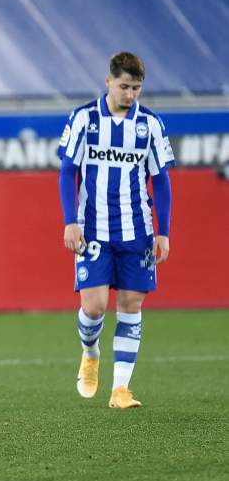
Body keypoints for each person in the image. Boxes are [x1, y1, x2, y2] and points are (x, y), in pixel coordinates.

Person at [57, 51, 173, 408]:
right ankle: (90, 353)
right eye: (124, 86)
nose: (130, 94)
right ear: (108, 82)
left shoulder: (150, 125)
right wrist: (70, 221)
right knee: (93, 308)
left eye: (136, 88)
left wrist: (163, 231)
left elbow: (161, 180)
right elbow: (67, 172)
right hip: (93, 228)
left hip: (136, 228)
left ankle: (120, 389)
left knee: (131, 303)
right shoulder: (84, 119)